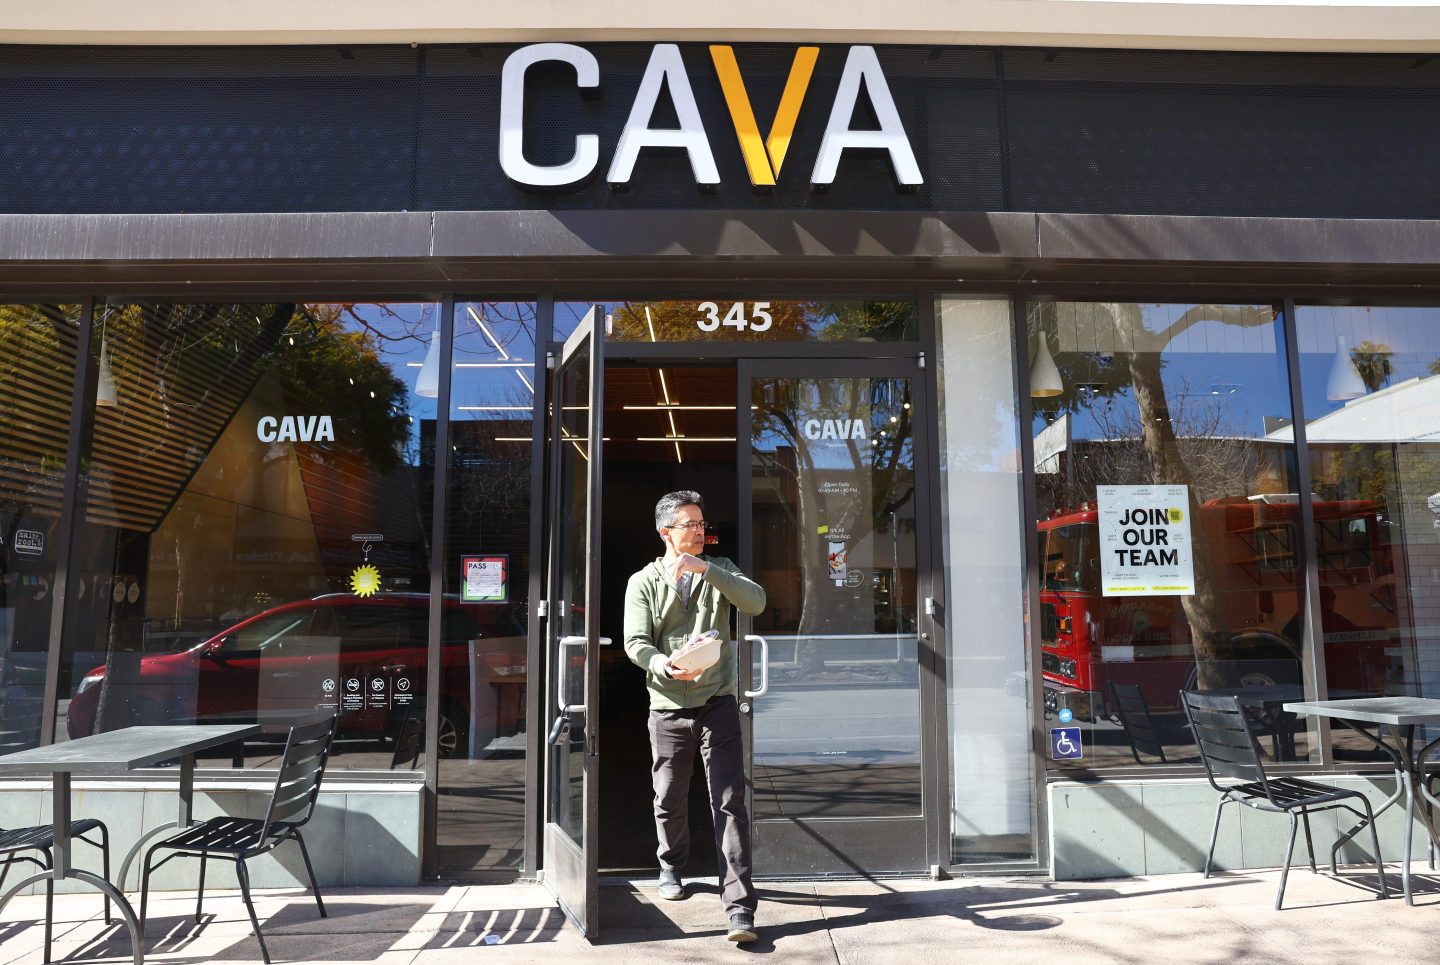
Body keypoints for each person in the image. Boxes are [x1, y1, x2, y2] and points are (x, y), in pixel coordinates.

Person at [623, 490, 766, 944]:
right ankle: (671, 864)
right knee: (669, 797)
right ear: (666, 531)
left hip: (717, 703)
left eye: (702, 524)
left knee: (728, 802)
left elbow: (756, 602)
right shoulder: (643, 581)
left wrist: (710, 570)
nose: (700, 532)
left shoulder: (719, 569)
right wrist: (663, 665)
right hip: (666, 707)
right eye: (690, 525)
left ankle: (740, 909)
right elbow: (635, 641)